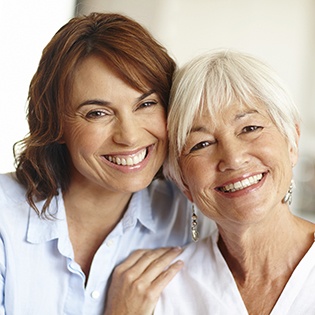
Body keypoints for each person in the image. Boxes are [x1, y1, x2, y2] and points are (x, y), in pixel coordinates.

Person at [0, 13, 213, 315]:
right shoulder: (4, 217)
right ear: (56, 123)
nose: (129, 136)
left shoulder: (190, 214)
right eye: (98, 113)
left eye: (146, 104)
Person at [153, 49, 315, 314]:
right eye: (201, 144)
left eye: (250, 128)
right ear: (182, 181)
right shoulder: (163, 291)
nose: (233, 158)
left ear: (292, 142)